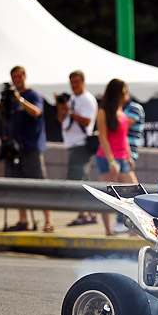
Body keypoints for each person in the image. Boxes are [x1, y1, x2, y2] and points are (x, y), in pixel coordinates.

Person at [1, 66, 54, 232]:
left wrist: (19, 100)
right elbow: (6, 121)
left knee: (39, 183)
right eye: (14, 77)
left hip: (31, 146)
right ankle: (23, 220)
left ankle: (48, 221)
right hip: (15, 146)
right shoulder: (11, 98)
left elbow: (36, 112)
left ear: (24, 77)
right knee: (17, 184)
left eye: (19, 77)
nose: (17, 80)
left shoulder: (32, 95)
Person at [95, 78, 139, 236]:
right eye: (125, 91)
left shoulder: (121, 109)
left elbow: (124, 136)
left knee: (134, 193)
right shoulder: (103, 111)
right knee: (107, 194)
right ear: (119, 93)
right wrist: (111, 160)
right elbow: (103, 138)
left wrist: (129, 156)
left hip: (122, 156)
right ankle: (108, 230)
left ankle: (133, 230)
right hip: (108, 157)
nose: (128, 94)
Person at [56, 70, 99, 227]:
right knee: (83, 180)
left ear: (83, 82)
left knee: (77, 180)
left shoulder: (87, 99)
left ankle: (83, 214)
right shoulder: (73, 98)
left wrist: (70, 111)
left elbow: (87, 121)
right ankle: (90, 213)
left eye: (76, 82)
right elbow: (62, 120)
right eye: (72, 82)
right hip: (73, 143)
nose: (74, 86)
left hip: (81, 144)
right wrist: (60, 108)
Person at [113, 98, 146, 234]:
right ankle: (123, 221)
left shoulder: (135, 108)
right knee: (120, 188)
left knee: (130, 189)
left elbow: (121, 127)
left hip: (128, 153)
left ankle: (131, 222)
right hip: (118, 152)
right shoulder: (121, 110)